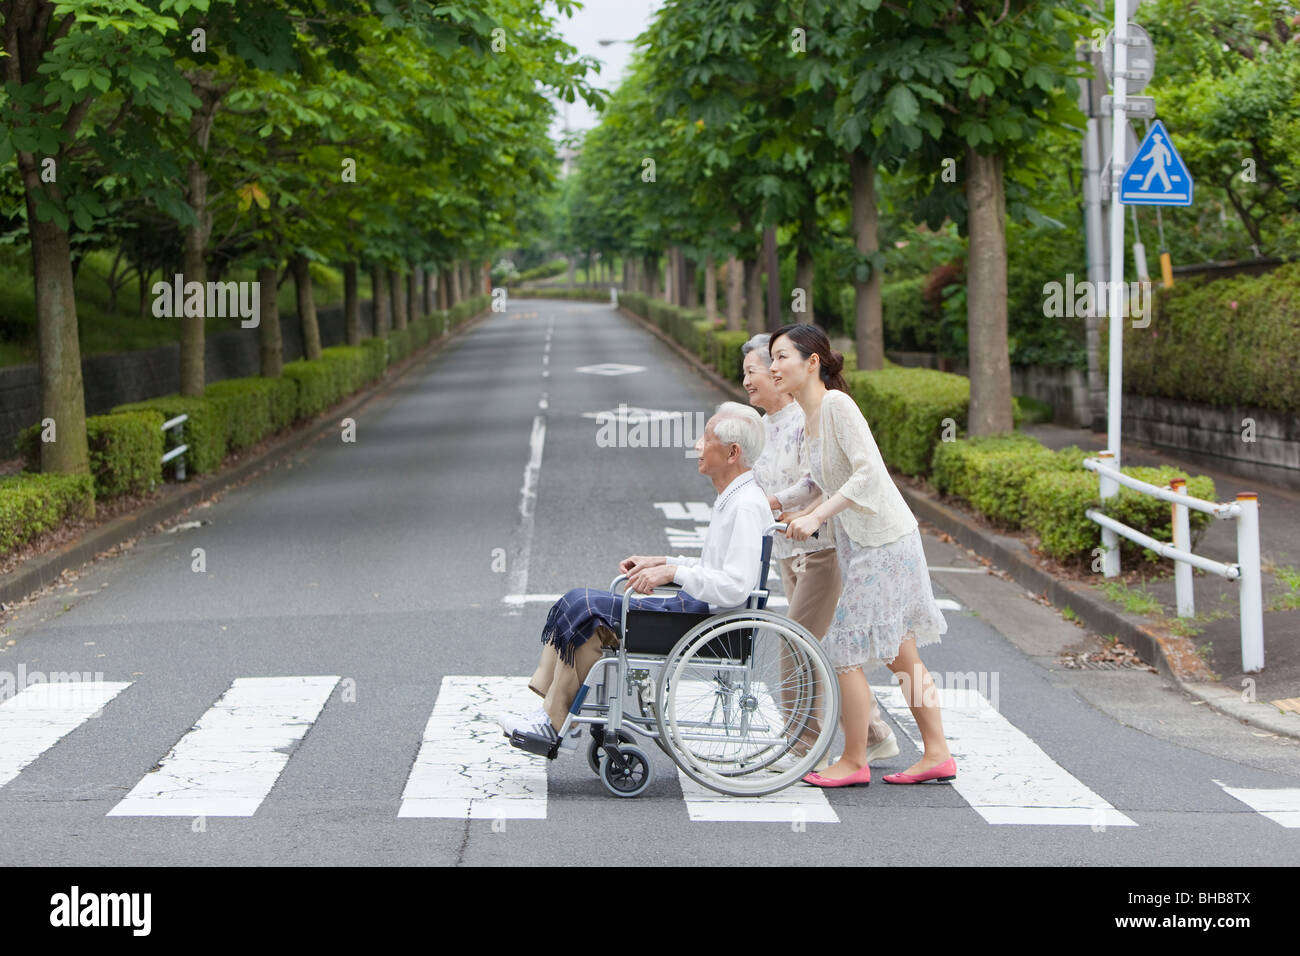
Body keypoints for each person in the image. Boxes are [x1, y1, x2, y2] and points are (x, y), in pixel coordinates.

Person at [496, 402, 773, 753]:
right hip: (698, 610)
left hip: (705, 621)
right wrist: (660, 561)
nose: (697, 447)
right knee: (576, 602)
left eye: (706, 440)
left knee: (588, 612)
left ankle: (557, 721)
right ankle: (556, 714)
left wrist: (672, 572)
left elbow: (736, 586)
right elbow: (713, 568)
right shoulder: (734, 498)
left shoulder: (745, 505)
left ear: (733, 452)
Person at [768, 324, 956, 788]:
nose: (773, 367)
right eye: (771, 358)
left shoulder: (836, 405)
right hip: (864, 543)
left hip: (885, 542)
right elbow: (817, 479)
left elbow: (868, 474)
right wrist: (775, 502)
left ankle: (854, 759)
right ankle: (937, 753)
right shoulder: (809, 414)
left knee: (843, 652)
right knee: (900, 654)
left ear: (812, 362)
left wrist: (815, 518)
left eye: (781, 357)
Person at [740, 334, 898, 774]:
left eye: (764, 366)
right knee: (823, 650)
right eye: (758, 366)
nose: (756, 376)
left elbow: (818, 480)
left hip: (822, 545)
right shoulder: (765, 425)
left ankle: (802, 744)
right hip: (789, 547)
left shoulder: (810, 415)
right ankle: (875, 735)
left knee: (797, 641)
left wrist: (778, 505)